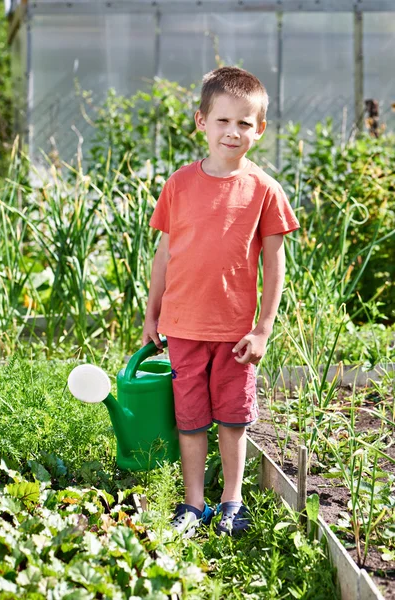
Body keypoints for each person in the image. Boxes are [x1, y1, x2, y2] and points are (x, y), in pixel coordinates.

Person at [142, 66, 300, 537]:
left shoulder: (264, 190)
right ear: (201, 121)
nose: (233, 132)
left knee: (232, 419)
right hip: (184, 327)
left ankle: (231, 502)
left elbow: (275, 265)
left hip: (235, 333)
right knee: (190, 421)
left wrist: (263, 329)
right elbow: (164, 254)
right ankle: (193, 505)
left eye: (244, 123)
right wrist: (152, 314)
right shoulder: (179, 185)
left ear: (260, 129)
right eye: (223, 121)